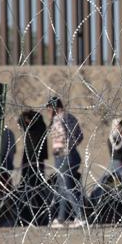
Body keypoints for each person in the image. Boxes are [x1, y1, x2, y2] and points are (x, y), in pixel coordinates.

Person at [46, 96, 85, 228]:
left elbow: (62, 138)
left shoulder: (59, 119)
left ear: (54, 108)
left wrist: (64, 148)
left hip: (63, 156)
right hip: (71, 155)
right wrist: (71, 146)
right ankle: (61, 218)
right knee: (62, 187)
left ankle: (80, 217)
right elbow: (80, 136)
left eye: (49, 109)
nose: (48, 112)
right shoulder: (70, 117)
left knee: (67, 188)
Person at [15, 110, 49, 225]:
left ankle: (31, 216)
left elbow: (21, 122)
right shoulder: (39, 127)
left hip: (32, 162)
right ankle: (38, 216)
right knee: (35, 190)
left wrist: (25, 118)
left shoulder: (35, 128)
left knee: (31, 190)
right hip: (35, 162)